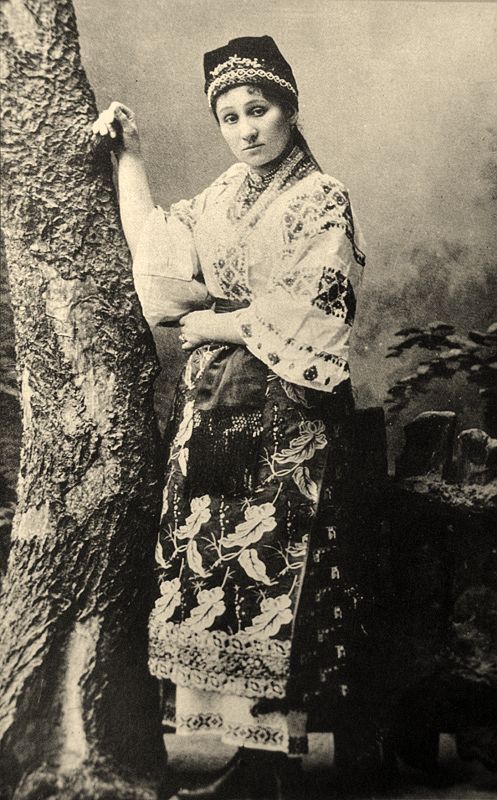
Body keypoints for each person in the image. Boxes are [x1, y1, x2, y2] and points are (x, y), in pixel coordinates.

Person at [93, 35, 377, 800]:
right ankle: (246, 760)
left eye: (259, 110)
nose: (246, 129)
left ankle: (273, 763)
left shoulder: (321, 197)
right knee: (213, 573)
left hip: (289, 422)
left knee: (272, 579)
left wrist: (220, 320)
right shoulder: (218, 200)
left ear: (289, 109)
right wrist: (131, 160)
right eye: (229, 117)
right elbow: (159, 269)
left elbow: (315, 306)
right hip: (214, 413)